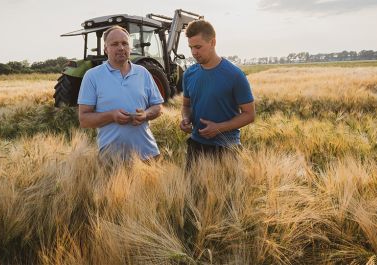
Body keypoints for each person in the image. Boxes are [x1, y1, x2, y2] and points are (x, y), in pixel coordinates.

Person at [78, 25, 164, 163]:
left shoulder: (143, 73)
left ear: (130, 47)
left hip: (148, 156)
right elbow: (84, 120)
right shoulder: (92, 76)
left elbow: (158, 107)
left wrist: (146, 115)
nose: (121, 48)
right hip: (111, 159)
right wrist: (112, 116)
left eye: (125, 43)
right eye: (115, 44)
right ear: (106, 49)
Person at [179, 20, 255, 168]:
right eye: (191, 47)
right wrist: (186, 119)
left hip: (227, 148)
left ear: (213, 42)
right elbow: (185, 106)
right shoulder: (189, 74)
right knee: (192, 191)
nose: (194, 52)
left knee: (227, 191)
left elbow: (249, 114)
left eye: (198, 47)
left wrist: (219, 127)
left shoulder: (235, 75)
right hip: (196, 146)